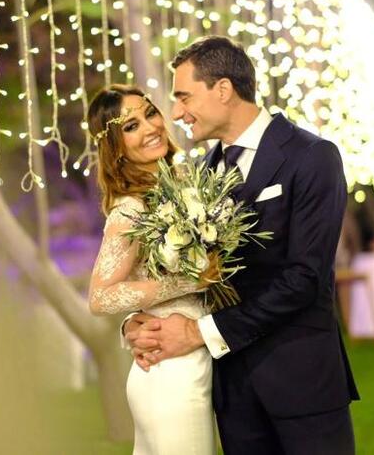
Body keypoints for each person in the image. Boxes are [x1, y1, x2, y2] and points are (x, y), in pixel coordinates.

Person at [124, 35, 359, 455]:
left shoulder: (312, 156)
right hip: (234, 392)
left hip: (301, 384)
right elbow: (189, 276)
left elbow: (304, 278)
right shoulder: (200, 173)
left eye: (183, 96)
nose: (176, 112)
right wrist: (140, 324)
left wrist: (199, 332)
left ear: (223, 89)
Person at [87, 84, 217, 455]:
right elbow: (100, 296)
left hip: (193, 356)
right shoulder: (131, 210)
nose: (150, 128)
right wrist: (185, 282)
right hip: (169, 372)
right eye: (130, 126)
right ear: (114, 144)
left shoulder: (185, 186)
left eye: (150, 114)